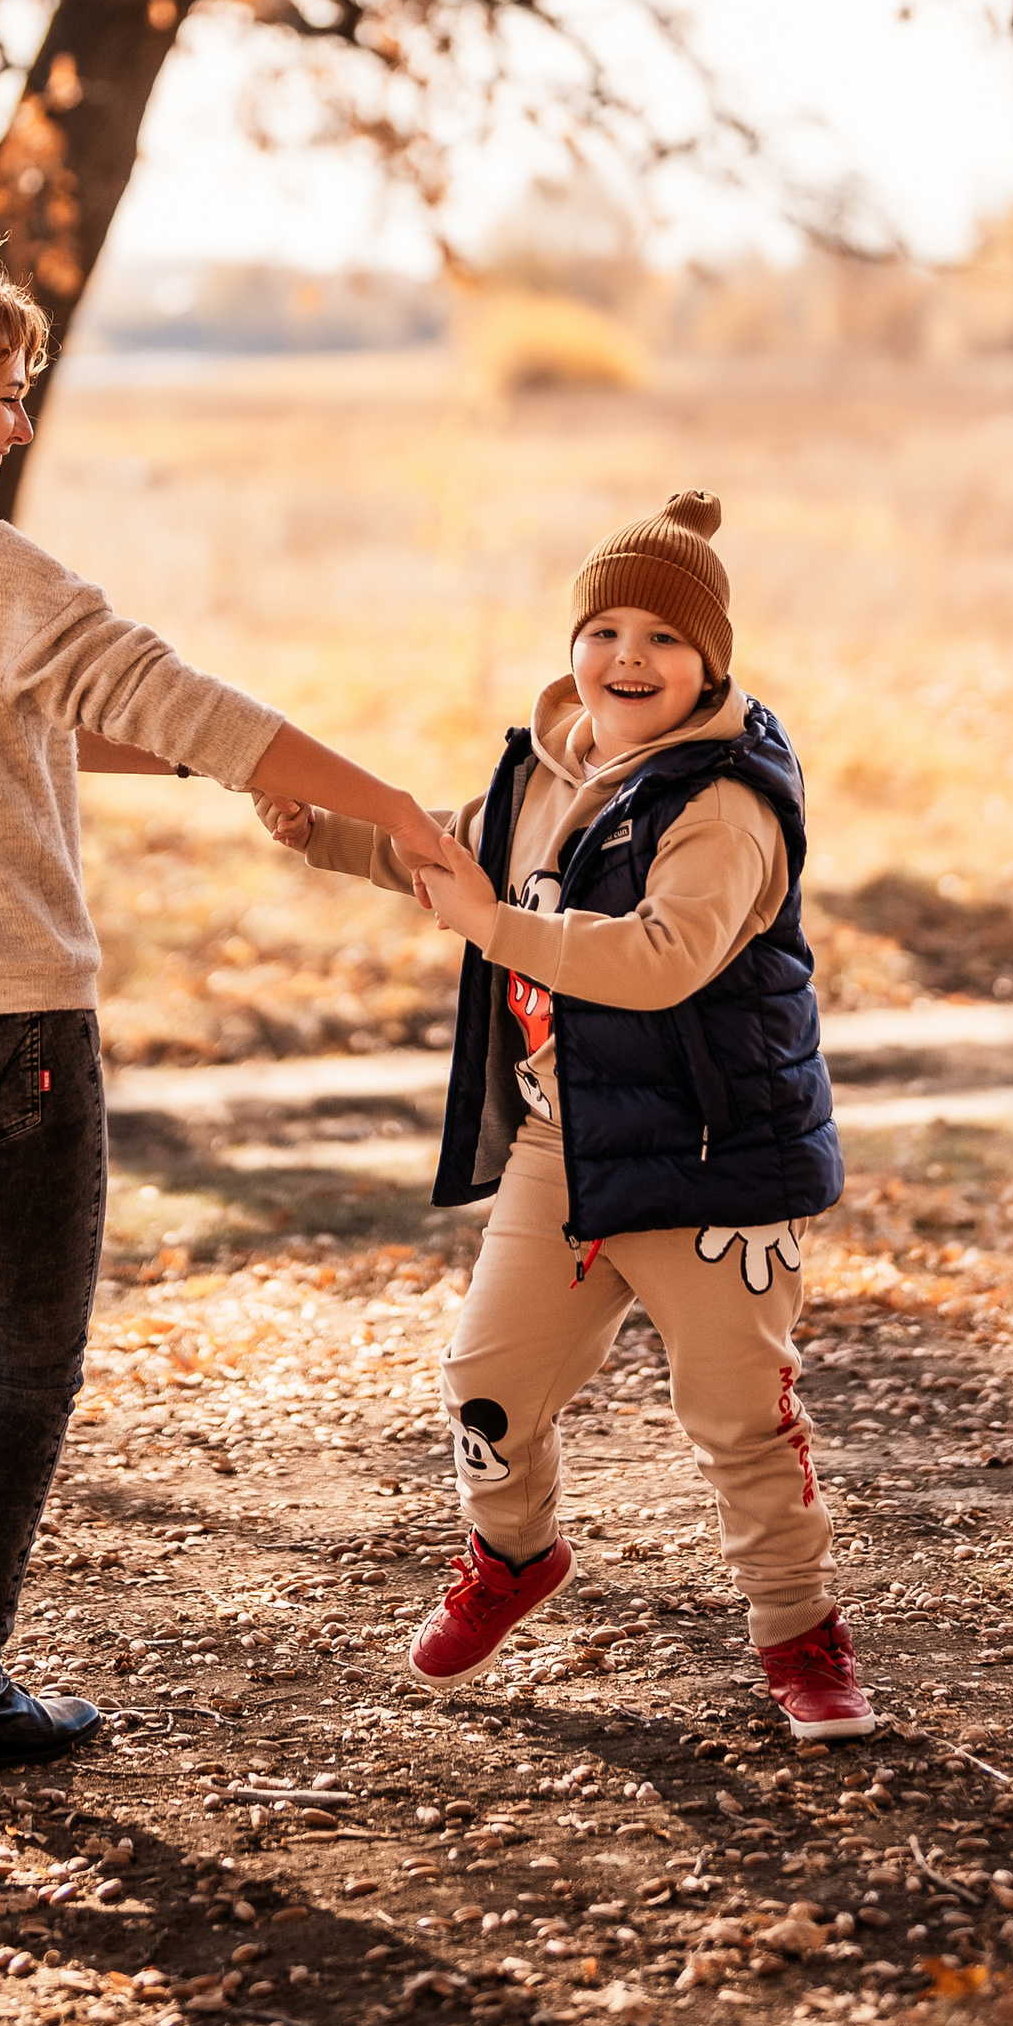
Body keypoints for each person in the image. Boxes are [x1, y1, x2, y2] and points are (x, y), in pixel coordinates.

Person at [0, 252, 450, 1813]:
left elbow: (8, 716)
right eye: (1, 396)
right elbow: (185, 696)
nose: (13, 427)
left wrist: (218, 779)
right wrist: (391, 809)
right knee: (21, 1368)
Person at [256, 486, 873, 1745]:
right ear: (572, 644)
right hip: (568, 1135)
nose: (627, 658)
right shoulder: (543, 773)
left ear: (709, 661)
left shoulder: (725, 800)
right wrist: (322, 830)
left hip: (716, 1157)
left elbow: (662, 957)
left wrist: (493, 930)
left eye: (660, 637)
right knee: (486, 1384)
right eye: (605, 630)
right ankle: (515, 1556)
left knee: (738, 1419)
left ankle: (803, 1640)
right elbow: (448, 852)